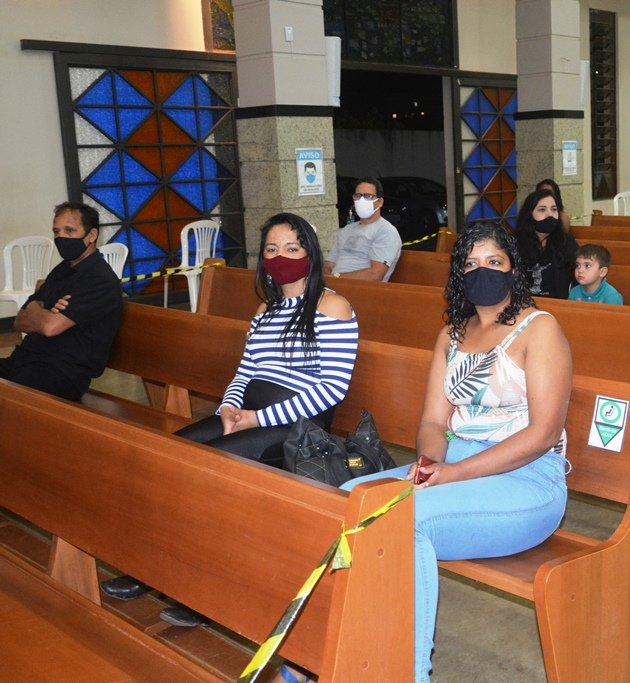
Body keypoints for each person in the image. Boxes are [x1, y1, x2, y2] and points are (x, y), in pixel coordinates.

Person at [271, 222, 573, 683]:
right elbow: (433, 422)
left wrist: (454, 474)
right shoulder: (452, 333)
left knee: (403, 526)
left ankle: (409, 674)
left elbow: (543, 433)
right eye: (471, 263)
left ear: (514, 269)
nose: (483, 271)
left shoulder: (540, 328)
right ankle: (317, 662)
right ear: (458, 274)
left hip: (526, 479)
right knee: (344, 503)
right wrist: (432, 463)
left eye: (494, 262)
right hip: (452, 465)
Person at [101, 212, 359, 627]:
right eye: (272, 249)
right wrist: (229, 408)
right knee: (167, 455)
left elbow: (331, 390)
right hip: (248, 414)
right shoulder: (266, 307)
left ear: (310, 253)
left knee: (209, 472)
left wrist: (258, 418)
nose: (280, 257)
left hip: (296, 426)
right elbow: (246, 369)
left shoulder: (332, 306)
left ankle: (201, 591)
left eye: (291, 248)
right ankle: (153, 568)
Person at [0, 202, 121, 401]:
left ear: (91, 235)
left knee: (10, 401)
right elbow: (19, 321)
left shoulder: (100, 279)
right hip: (24, 360)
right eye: (56, 231)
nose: (60, 237)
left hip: (60, 373)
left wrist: (35, 306)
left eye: (69, 230)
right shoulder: (62, 270)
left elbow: (49, 327)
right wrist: (45, 312)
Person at [323, 177, 402, 280]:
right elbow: (328, 266)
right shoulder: (347, 230)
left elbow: (375, 275)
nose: (362, 200)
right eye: (358, 196)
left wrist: (337, 278)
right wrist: (328, 280)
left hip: (361, 287)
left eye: (368, 196)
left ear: (380, 202)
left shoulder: (385, 231)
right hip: (333, 285)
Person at [515, 188, 579, 298]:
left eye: (554, 209)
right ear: (529, 214)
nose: (550, 215)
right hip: (524, 304)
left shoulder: (567, 243)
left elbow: (579, 277)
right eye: (542, 210)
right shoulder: (516, 244)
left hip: (558, 304)